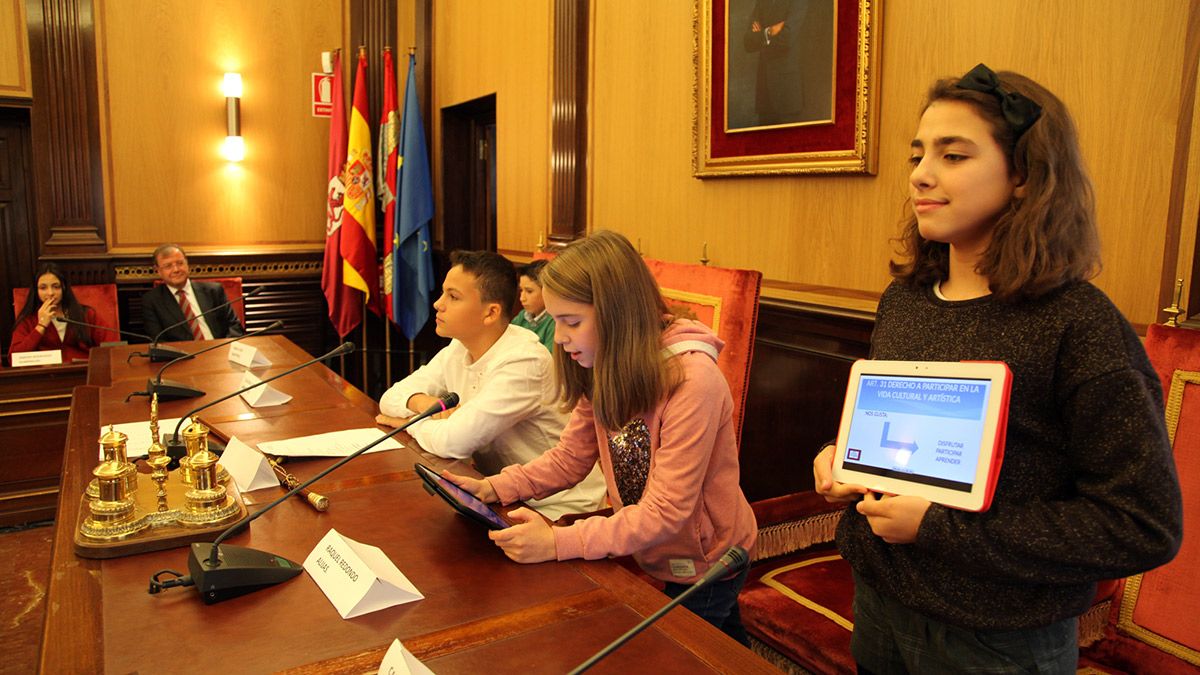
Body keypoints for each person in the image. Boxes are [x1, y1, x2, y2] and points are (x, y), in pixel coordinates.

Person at [813, 64, 1183, 673]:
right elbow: (898, 437)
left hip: (997, 643)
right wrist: (841, 458)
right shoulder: (904, 301)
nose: (921, 176)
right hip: (881, 604)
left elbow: (1140, 524)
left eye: (954, 156)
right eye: (918, 155)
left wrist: (938, 530)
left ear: (1022, 175)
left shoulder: (1078, 325)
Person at [442, 231, 758, 645]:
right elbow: (569, 459)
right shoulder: (605, 363)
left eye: (571, 322)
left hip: (709, 559)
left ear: (617, 314)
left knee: (685, 652)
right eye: (555, 321)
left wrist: (556, 541)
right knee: (727, 648)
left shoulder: (693, 381)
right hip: (658, 551)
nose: (558, 337)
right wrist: (493, 487)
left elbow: (665, 513)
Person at [377, 250, 605, 519]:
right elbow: (389, 399)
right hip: (497, 494)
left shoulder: (523, 361)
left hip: (558, 508)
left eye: (453, 296)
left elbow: (454, 441)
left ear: (490, 313)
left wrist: (412, 422)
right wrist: (424, 404)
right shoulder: (458, 348)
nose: (438, 304)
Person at [141, 244, 244, 341]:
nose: (176, 270)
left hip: (220, 352)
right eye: (168, 266)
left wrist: (226, 350)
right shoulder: (151, 301)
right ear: (158, 270)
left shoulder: (213, 291)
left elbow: (234, 327)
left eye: (180, 263)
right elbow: (159, 342)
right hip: (183, 357)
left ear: (187, 263)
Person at [9, 263, 105, 363]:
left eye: (56, 287)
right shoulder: (28, 320)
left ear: (64, 287)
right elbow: (14, 358)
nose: (50, 293)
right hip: (46, 375)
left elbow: (110, 345)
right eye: (43, 288)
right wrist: (41, 326)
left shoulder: (86, 314)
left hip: (83, 372)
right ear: (36, 291)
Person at [742, 0, 808, 126]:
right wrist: (769, 32)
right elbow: (748, 42)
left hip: (787, 91)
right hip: (764, 91)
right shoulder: (762, 2)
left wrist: (760, 36)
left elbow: (786, 40)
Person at [510, 260, 554, 352]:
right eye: (521, 290)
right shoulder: (522, 316)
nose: (522, 298)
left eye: (529, 291)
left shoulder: (553, 322)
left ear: (547, 291)